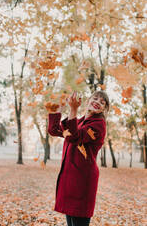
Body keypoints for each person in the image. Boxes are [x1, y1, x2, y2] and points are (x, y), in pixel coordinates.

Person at [48, 90, 110, 226]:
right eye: (95, 98)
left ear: (104, 109)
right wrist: (57, 108)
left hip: (82, 181)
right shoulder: (80, 121)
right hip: (69, 179)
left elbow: (74, 137)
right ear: (88, 101)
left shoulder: (98, 125)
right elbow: (54, 130)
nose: (98, 102)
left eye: (102, 102)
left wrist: (73, 109)